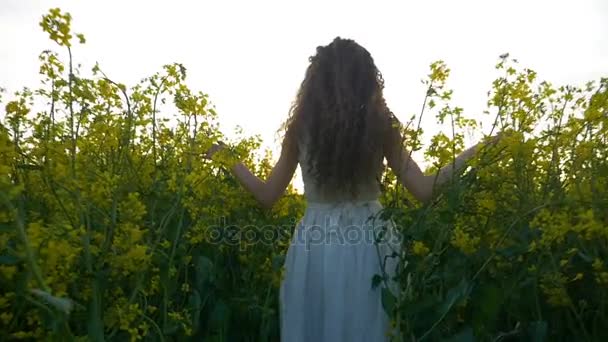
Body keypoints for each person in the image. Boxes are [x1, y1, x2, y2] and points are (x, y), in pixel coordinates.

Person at [206, 37, 496, 341]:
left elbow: (267, 196)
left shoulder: (301, 129)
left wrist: (231, 161)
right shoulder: (380, 126)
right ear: (367, 81)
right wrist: (477, 151)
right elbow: (424, 190)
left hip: (315, 244)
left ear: (315, 82)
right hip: (371, 241)